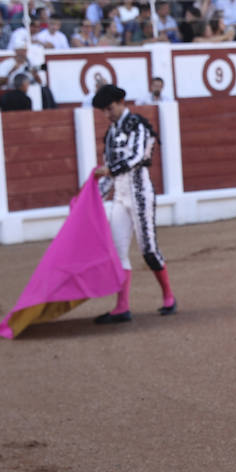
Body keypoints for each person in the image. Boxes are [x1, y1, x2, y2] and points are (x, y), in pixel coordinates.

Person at [90, 84, 176, 322]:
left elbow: (137, 157)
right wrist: (95, 195)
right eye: (103, 112)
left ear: (120, 102)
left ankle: (169, 296)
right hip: (120, 195)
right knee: (118, 253)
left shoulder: (138, 124)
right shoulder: (110, 134)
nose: (107, 115)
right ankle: (122, 307)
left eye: (109, 109)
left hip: (139, 194)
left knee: (148, 250)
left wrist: (110, 170)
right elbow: (110, 173)